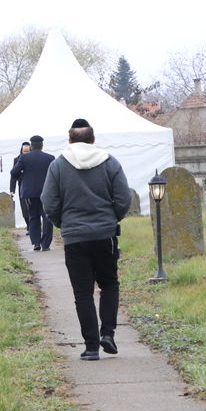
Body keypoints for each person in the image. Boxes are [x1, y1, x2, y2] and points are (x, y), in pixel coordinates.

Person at [41, 118, 131, 360]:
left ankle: (91, 346)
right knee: (109, 284)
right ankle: (108, 334)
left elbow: (48, 201)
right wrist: (113, 219)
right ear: (93, 140)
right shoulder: (110, 163)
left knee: (83, 293)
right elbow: (124, 197)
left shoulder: (58, 166)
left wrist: (63, 223)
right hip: (105, 234)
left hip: (74, 237)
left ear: (69, 140)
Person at [10, 135, 55, 250]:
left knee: (33, 216)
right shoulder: (50, 158)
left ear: (31, 146)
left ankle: (36, 242)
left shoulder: (24, 158)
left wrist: (24, 175)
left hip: (30, 192)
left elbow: (14, 172)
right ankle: (46, 244)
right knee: (46, 217)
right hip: (46, 192)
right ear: (42, 145)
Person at [9, 141, 32, 225]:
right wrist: (12, 189)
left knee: (33, 207)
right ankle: (28, 225)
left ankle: (34, 225)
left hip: (32, 185)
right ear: (21, 150)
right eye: (24, 151)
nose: (25, 153)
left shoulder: (33, 159)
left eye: (27, 151)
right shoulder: (17, 160)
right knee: (24, 207)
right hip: (22, 185)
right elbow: (13, 175)